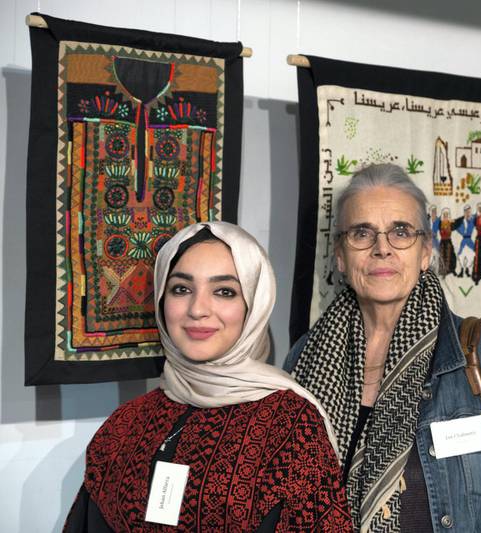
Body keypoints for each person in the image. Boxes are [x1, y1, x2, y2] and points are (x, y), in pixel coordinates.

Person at [285, 164, 481, 532]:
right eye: (362, 233)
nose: (382, 248)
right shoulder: (304, 359)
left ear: (426, 252)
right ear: (340, 255)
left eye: (401, 232)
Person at [64, 222, 351, 532]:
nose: (198, 309)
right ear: (161, 299)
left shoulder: (288, 422)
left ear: (253, 304)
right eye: (181, 289)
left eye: (224, 291)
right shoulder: (125, 424)